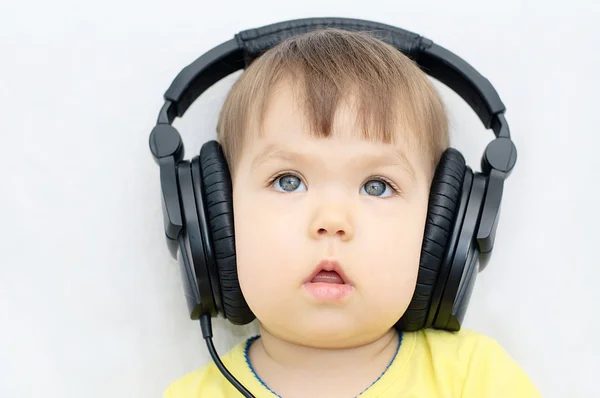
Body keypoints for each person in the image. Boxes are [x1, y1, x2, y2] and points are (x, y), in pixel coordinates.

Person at [163, 28, 540, 397]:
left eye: (376, 186)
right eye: (288, 181)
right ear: (217, 220)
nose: (332, 221)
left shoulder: (476, 379)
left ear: (440, 233)